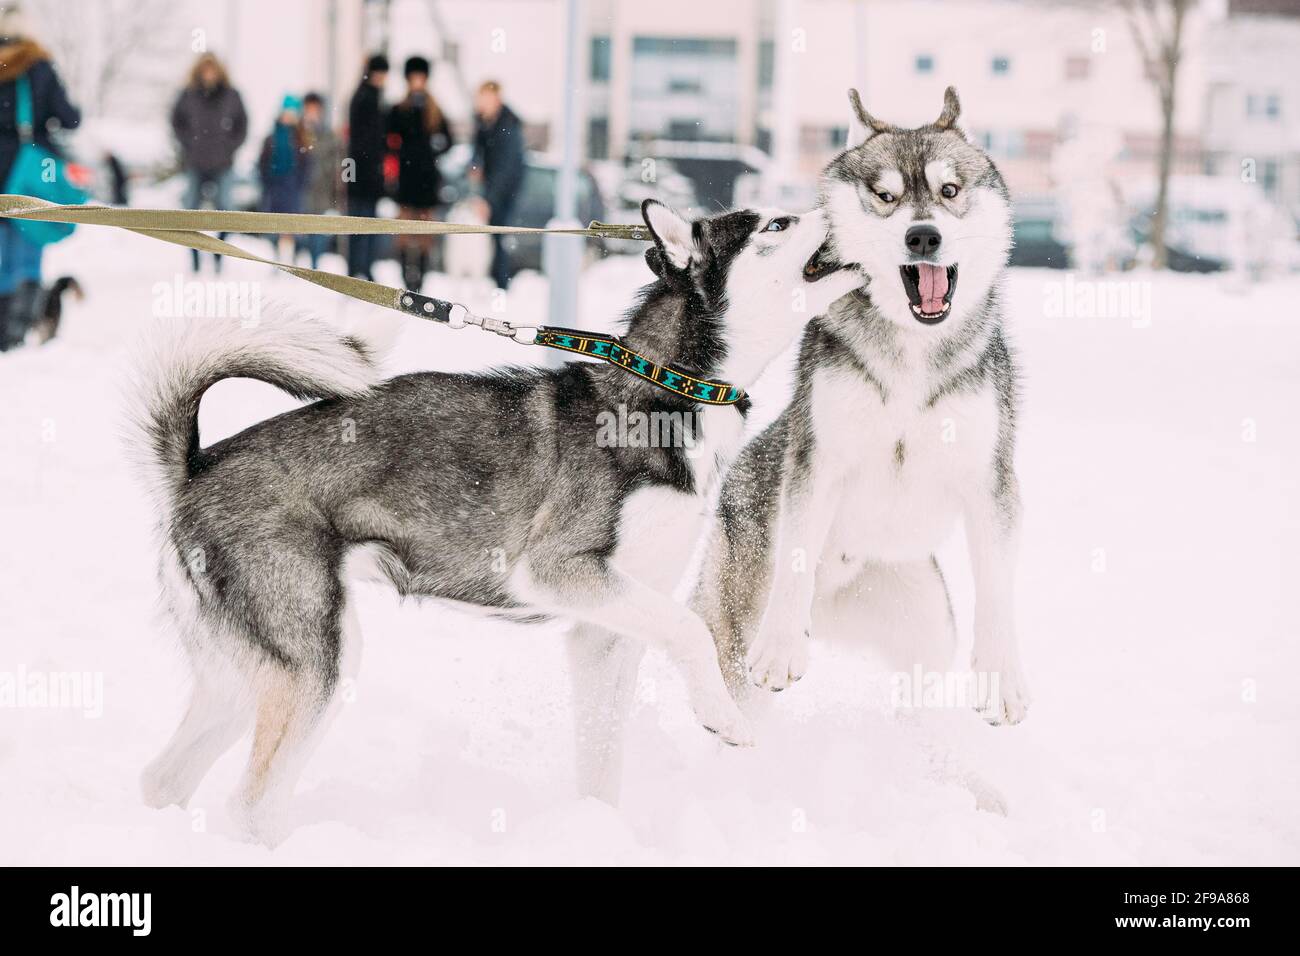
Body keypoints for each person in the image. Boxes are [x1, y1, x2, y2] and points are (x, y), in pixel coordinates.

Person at [0, 6, 80, 351]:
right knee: (27, 256)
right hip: (27, 169)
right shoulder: (38, 66)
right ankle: (17, 331)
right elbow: (70, 117)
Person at [170, 52, 247, 274]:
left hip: (223, 163)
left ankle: (218, 252)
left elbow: (243, 125)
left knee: (226, 210)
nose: (209, 74)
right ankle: (194, 253)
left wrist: (229, 146)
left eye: (212, 70)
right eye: (205, 70)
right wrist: (188, 144)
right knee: (190, 211)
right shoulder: (188, 95)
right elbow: (176, 122)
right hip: (196, 162)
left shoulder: (232, 95)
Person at [387, 55, 452, 291]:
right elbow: (388, 141)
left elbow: (448, 141)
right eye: (413, 77)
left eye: (420, 77)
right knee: (404, 230)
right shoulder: (398, 109)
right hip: (405, 180)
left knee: (425, 233)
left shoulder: (435, 110)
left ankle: (421, 278)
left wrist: (435, 147)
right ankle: (406, 275)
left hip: (427, 180)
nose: (417, 82)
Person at [470, 80, 525, 290]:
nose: (481, 104)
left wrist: (488, 199)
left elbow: (505, 169)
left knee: (500, 236)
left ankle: (501, 285)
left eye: (485, 99)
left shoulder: (507, 125)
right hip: (492, 188)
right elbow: (478, 154)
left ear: (496, 99)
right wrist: (475, 165)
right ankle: (495, 282)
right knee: (492, 237)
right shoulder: (484, 123)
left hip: (506, 192)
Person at [345, 53, 388, 281]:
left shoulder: (365, 97)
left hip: (365, 172)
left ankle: (360, 268)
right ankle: (357, 269)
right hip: (364, 171)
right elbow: (362, 141)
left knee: (364, 224)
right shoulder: (366, 98)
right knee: (361, 223)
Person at [258, 95, 310, 266]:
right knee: (275, 224)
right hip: (275, 186)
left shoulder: (301, 138)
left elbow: (306, 165)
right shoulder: (271, 137)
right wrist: (266, 182)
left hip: (292, 186)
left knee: (291, 225)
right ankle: (277, 257)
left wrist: (300, 184)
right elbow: (263, 163)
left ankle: (290, 258)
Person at [298, 91, 343, 269]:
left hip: (322, 190)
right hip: (302, 189)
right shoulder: (298, 132)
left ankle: (315, 264)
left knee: (319, 231)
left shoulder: (329, 135)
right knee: (301, 229)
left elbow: (340, 161)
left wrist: (339, 182)